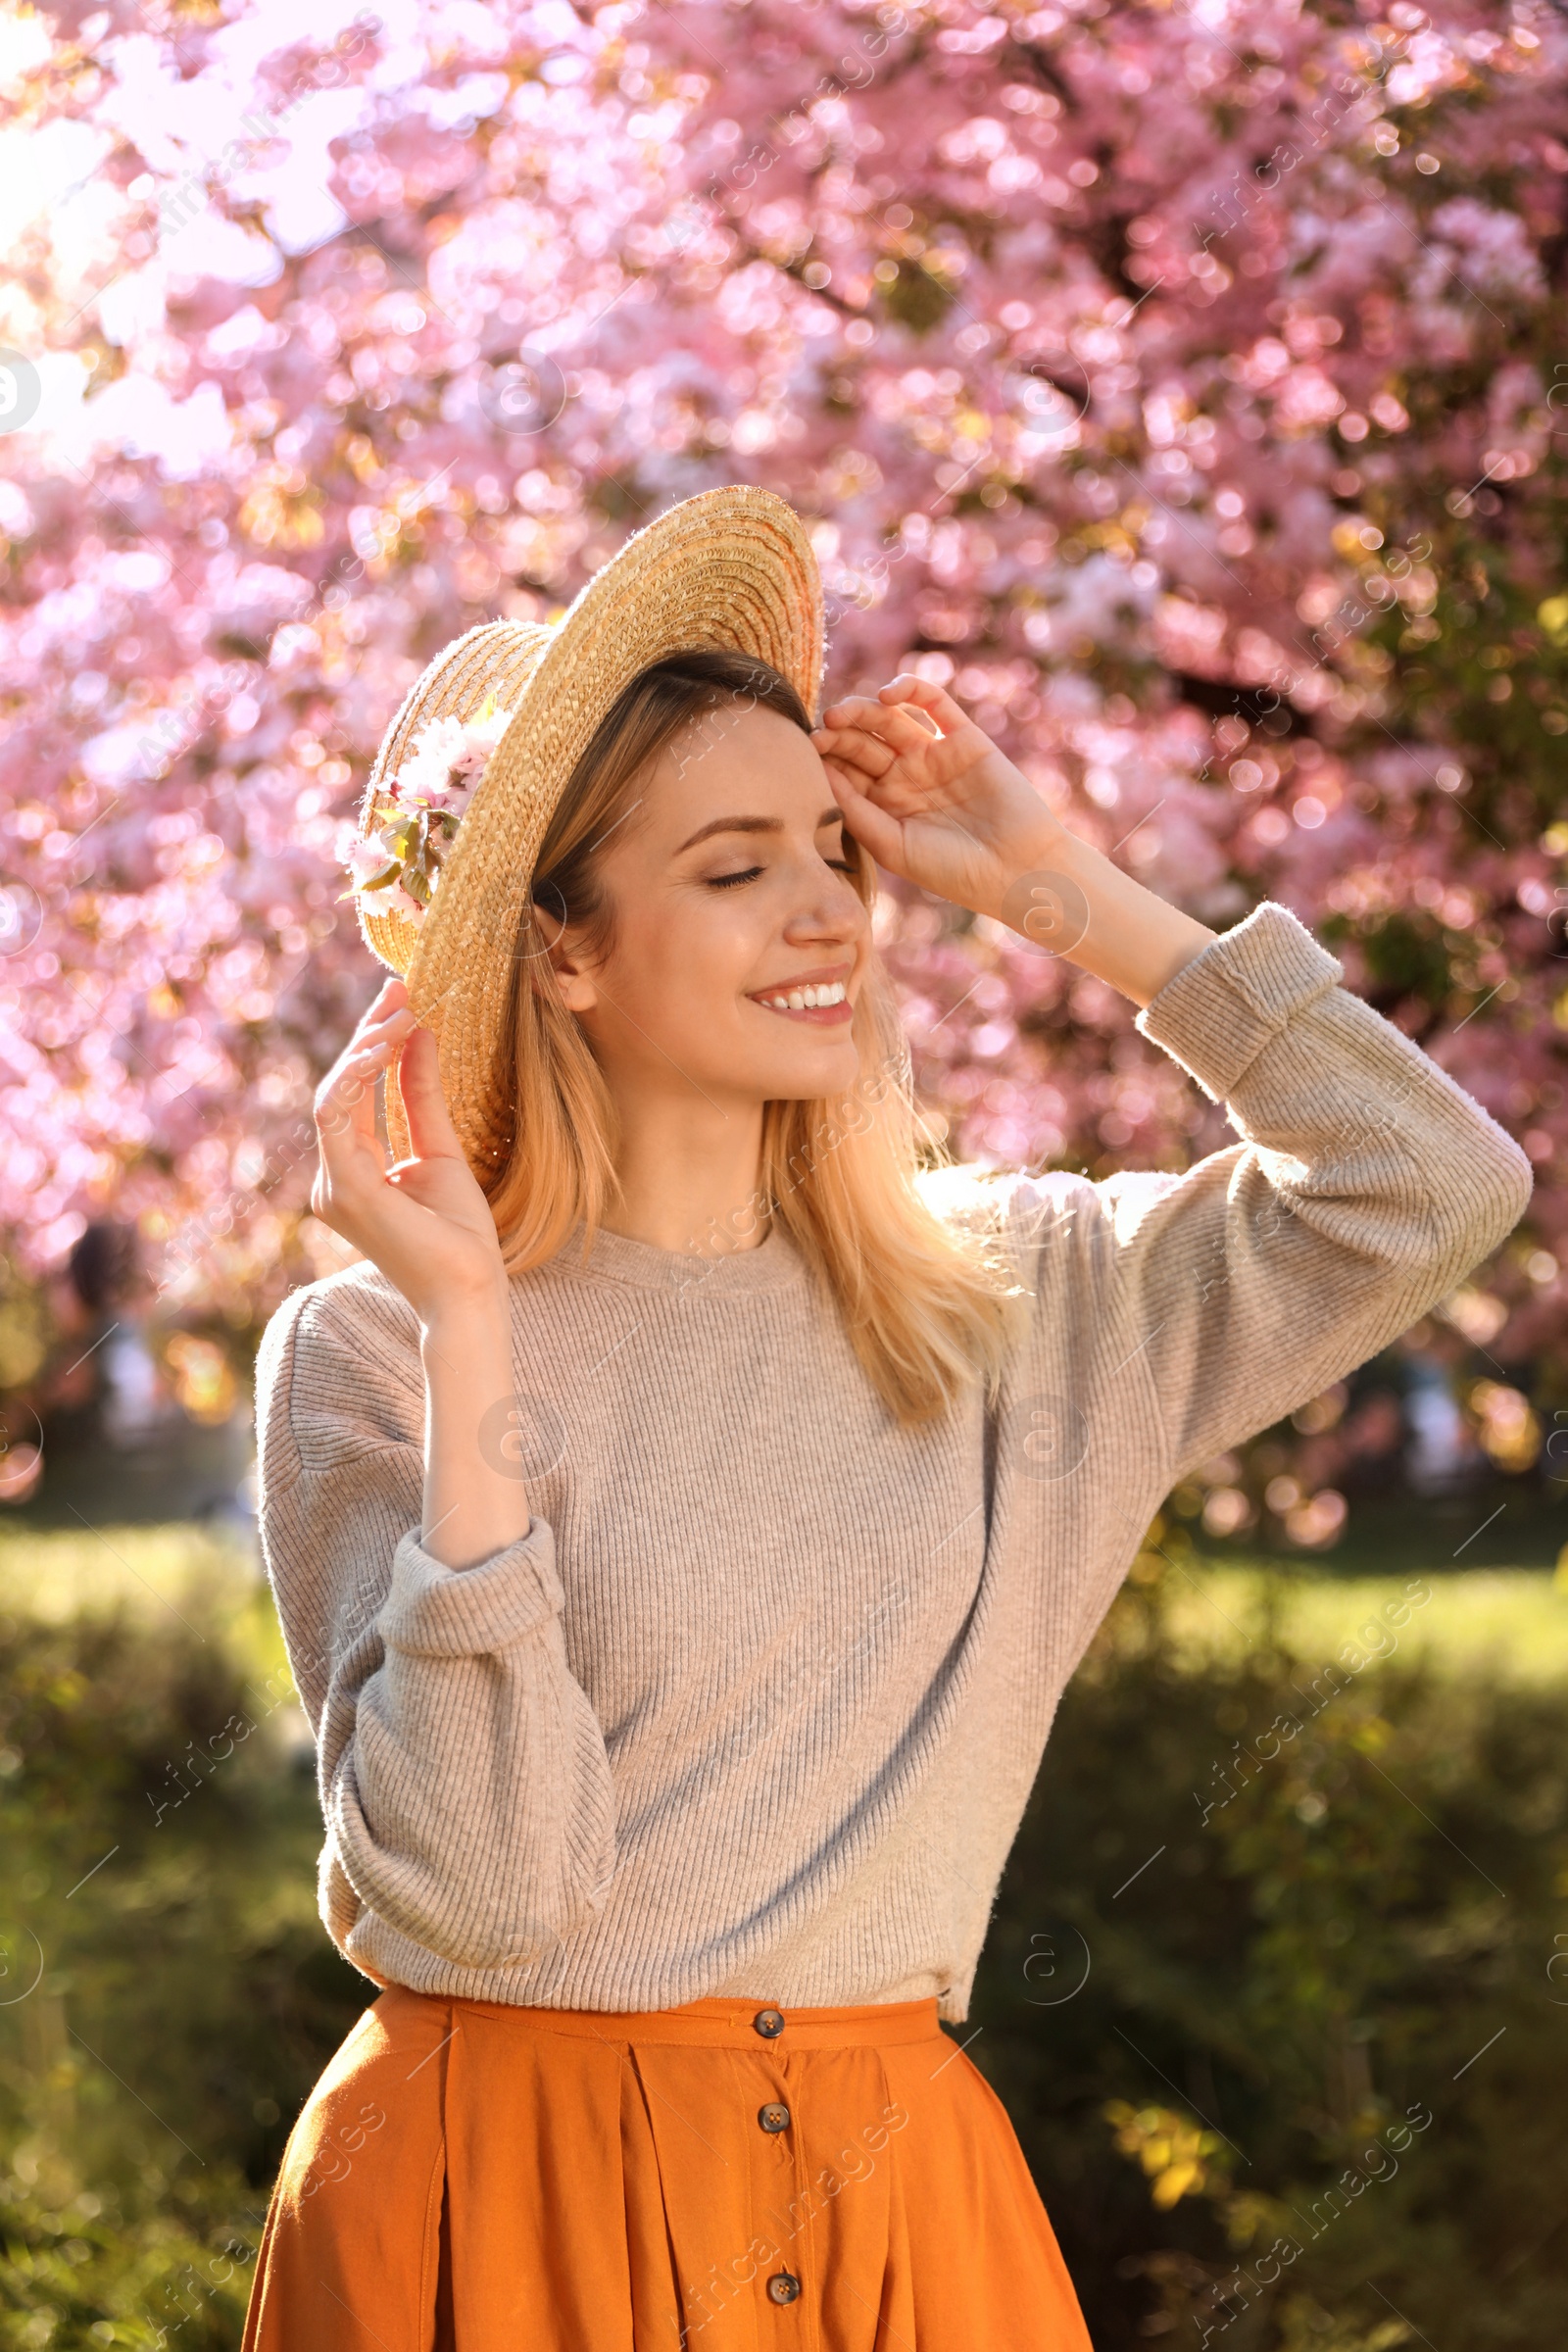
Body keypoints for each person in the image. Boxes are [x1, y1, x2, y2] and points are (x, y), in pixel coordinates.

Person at [241, 486, 1531, 2350]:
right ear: (563, 951)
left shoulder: (1019, 1298)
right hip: (491, 2209)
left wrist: (1065, 895)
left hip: (902, 2221)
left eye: (833, 847)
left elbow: (1429, 1184)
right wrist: (471, 1336)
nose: (827, 906)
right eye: (733, 864)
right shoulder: (374, 1349)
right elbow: (489, 1906)